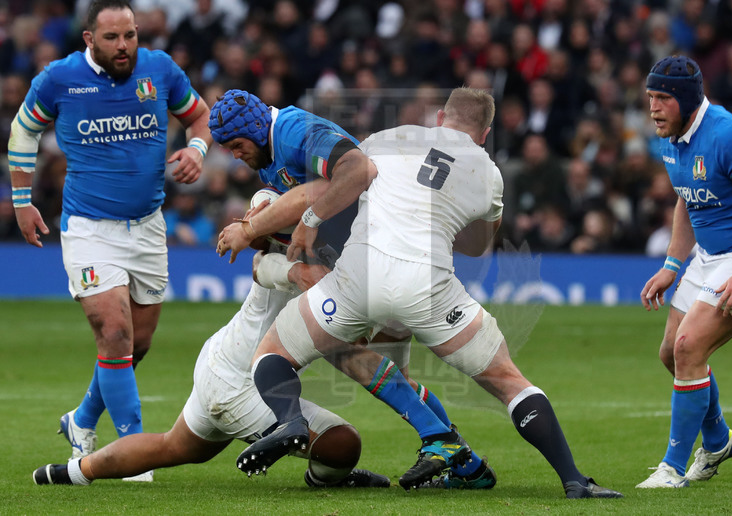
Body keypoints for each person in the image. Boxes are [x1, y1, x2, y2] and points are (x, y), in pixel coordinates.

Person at [229, 87, 623, 499]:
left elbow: (345, 188)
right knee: (510, 382)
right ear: (485, 133)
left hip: (359, 278)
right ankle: (574, 480)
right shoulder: (488, 173)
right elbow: (474, 247)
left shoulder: (387, 138)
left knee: (276, 353)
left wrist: (292, 224)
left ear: (439, 117)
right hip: (429, 287)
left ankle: (292, 420)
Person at [212, 89, 496, 490]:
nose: (235, 155)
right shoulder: (272, 156)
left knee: (344, 352)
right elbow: (305, 204)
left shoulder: (295, 131)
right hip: (365, 258)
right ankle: (462, 459)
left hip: (379, 255)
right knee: (384, 373)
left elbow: (357, 169)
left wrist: (253, 228)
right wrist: (265, 233)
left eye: (237, 146)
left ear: (256, 128)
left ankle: (450, 446)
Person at [8, 0, 213, 478]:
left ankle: (80, 421)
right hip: (89, 228)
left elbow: (200, 117)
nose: (124, 46)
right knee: (115, 334)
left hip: (148, 227)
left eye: (131, 35)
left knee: (136, 345)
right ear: (89, 39)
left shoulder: (160, 70)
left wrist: (198, 149)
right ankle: (132, 451)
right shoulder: (59, 79)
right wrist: (22, 201)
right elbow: (23, 131)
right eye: (112, 38)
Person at [32, 251, 390, 489]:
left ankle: (73, 472)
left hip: (221, 360)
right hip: (240, 386)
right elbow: (264, 238)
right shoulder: (296, 238)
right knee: (344, 444)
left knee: (175, 447)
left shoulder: (325, 252)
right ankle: (325, 477)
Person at [636, 56, 732, 488]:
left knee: (688, 348)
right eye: (651, 97)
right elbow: (688, 197)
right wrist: (672, 263)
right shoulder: (673, 136)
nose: (653, 107)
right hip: (710, 254)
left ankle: (671, 468)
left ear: (686, 100)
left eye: (663, 98)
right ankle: (719, 439)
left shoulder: (728, 136)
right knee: (671, 353)